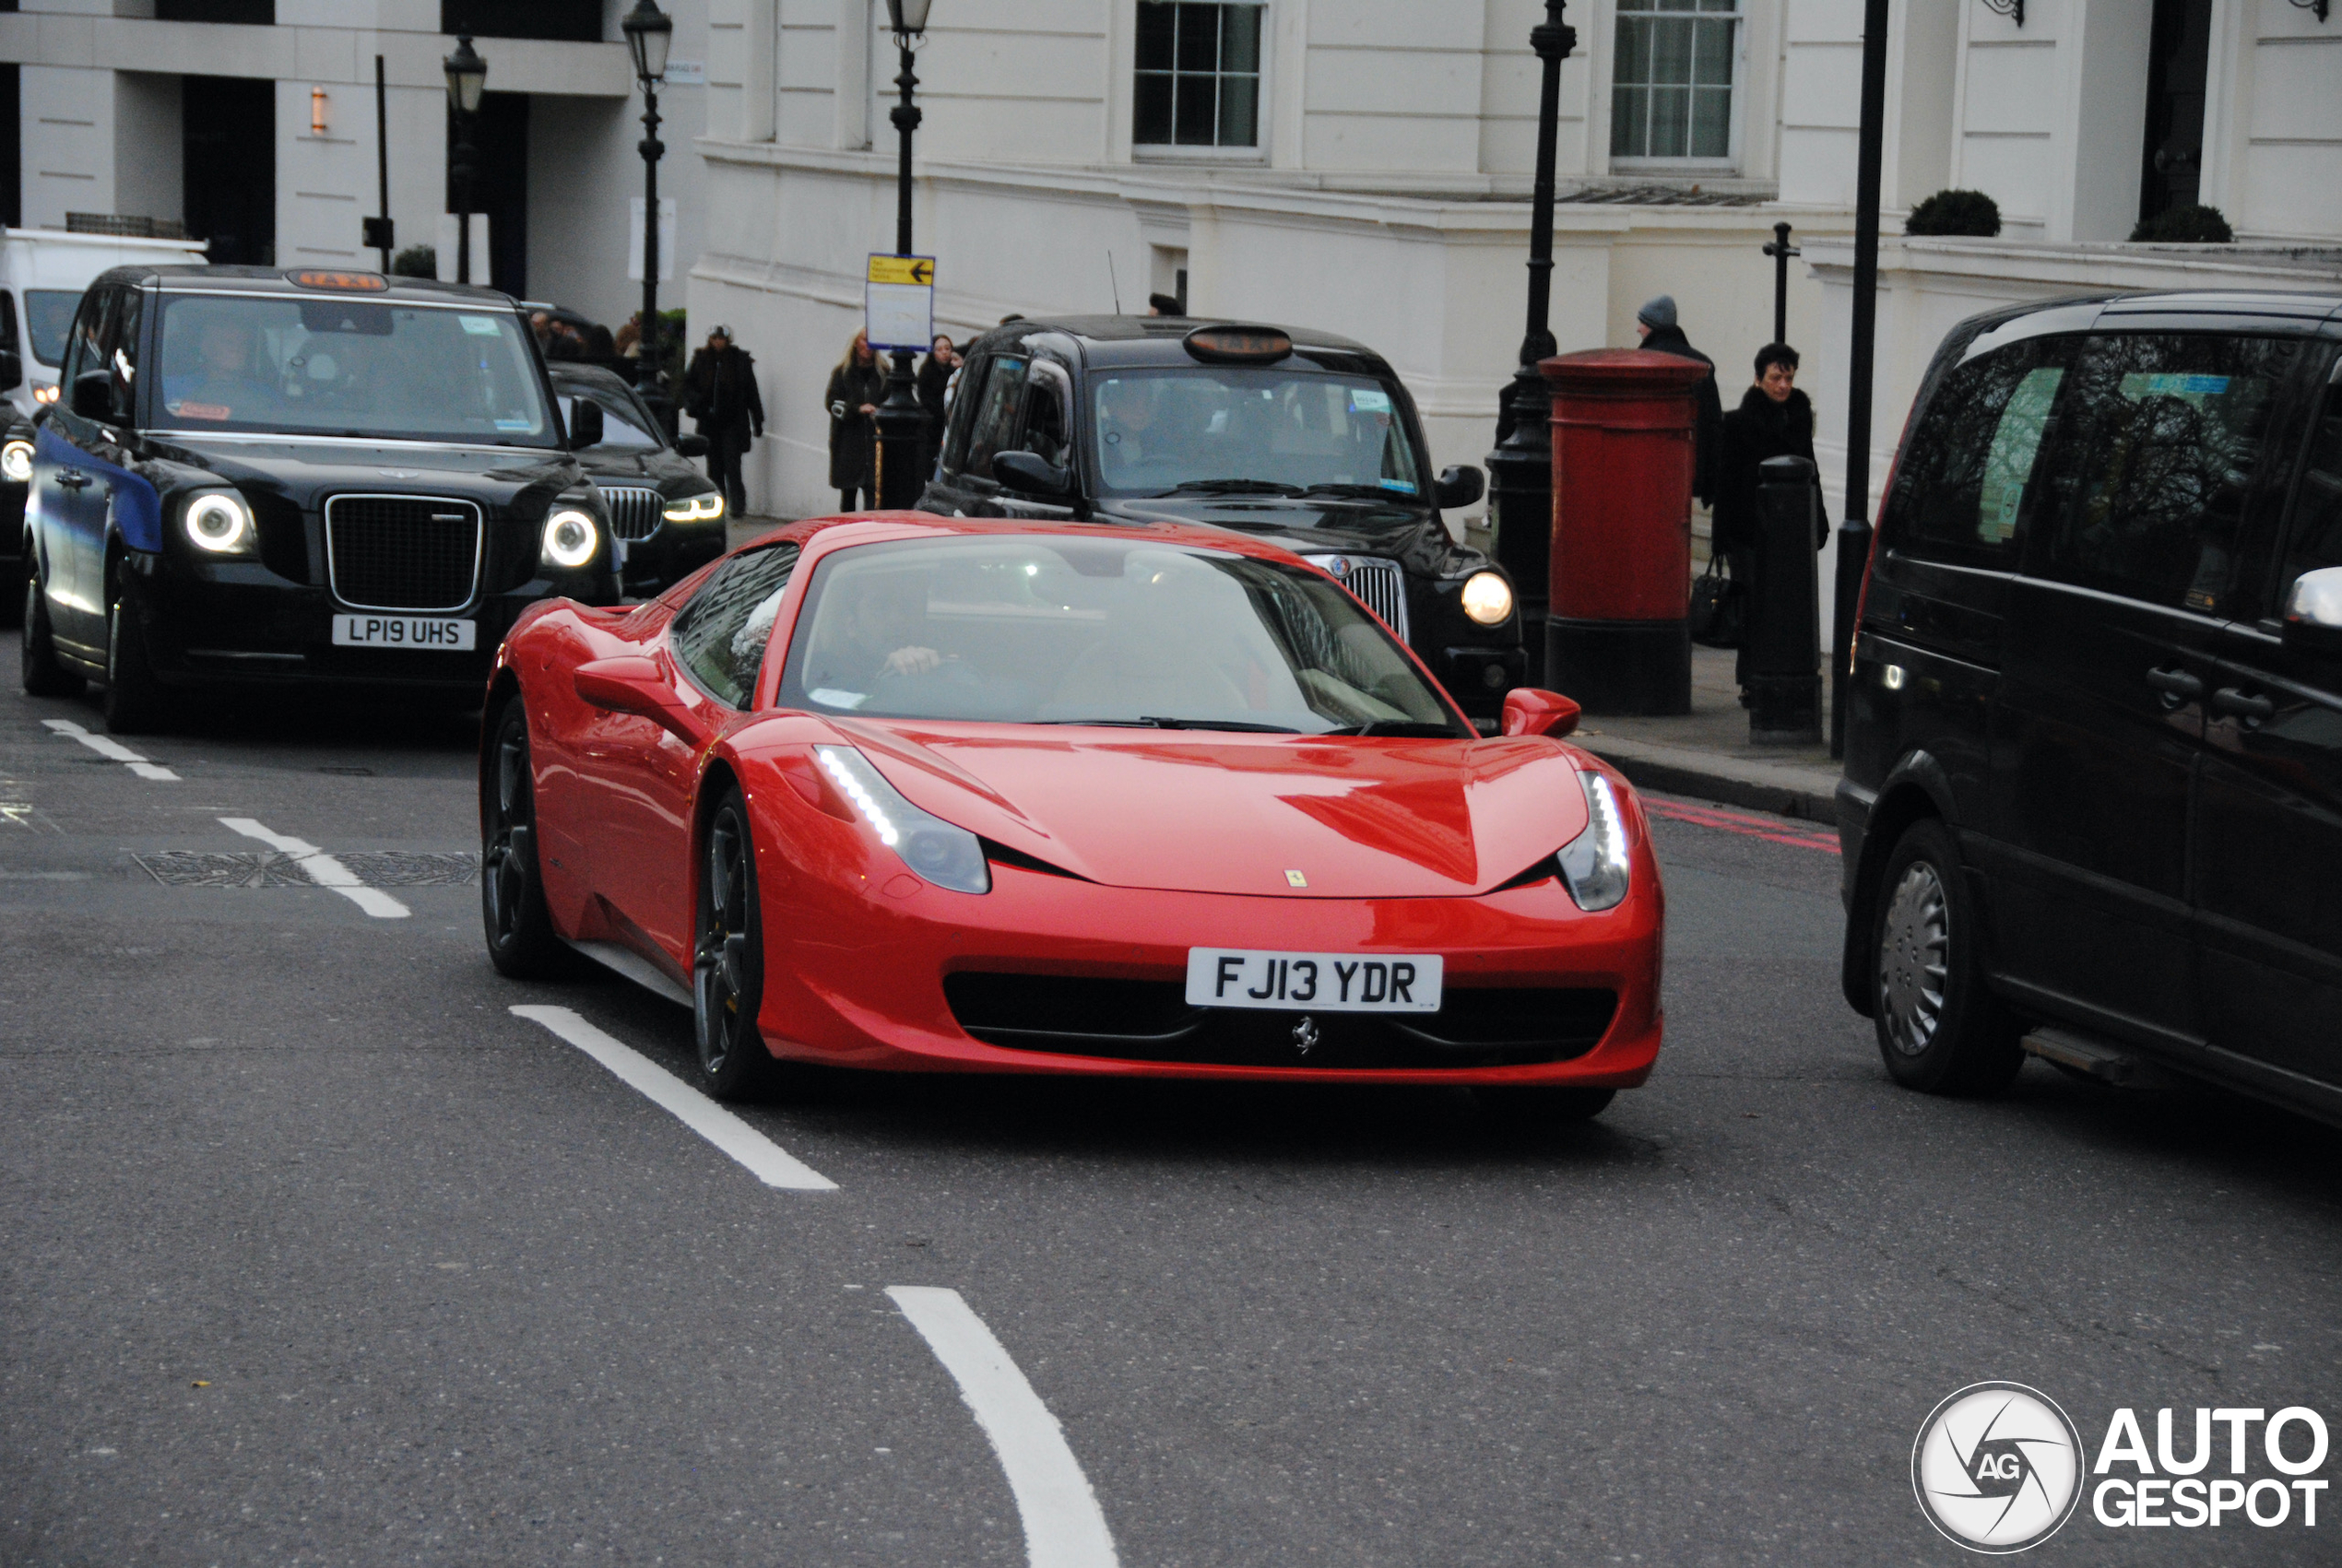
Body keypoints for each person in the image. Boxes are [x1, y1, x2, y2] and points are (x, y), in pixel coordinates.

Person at [1714, 342, 1828, 701]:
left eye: (1789, 378)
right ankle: (1751, 679)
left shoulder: (1799, 418)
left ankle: (1778, 675)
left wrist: (1818, 520)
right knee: (1753, 605)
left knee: (1782, 605)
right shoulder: (1736, 423)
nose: (1783, 386)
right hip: (1746, 529)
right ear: (1758, 378)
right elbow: (1726, 482)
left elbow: (1811, 471)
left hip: (1787, 528)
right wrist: (1722, 537)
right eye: (1776, 377)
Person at [1635, 294, 1724, 509]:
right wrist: (1711, 485)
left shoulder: (1641, 362)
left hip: (1646, 473)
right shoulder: (1703, 364)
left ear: (1652, 325)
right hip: (1691, 472)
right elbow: (1713, 424)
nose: (1638, 328)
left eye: (1642, 322)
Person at [682, 324, 766, 517]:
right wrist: (697, 406)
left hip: (733, 423)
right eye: (715, 338)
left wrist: (758, 420)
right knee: (715, 466)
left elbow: (751, 393)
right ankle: (718, 504)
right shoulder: (701, 360)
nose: (718, 342)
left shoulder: (739, 361)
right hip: (709, 422)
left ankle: (737, 506)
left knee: (732, 465)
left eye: (721, 339)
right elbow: (689, 387)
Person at [823, 330, 885, 511]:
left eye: (872, 341)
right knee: (848, 496)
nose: (869, 345)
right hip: (848, 444)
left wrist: (879, 413)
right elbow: (832, 403)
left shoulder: (883, 374)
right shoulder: (842, 373)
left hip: (875, 445)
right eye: (865, 340)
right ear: (855, 343)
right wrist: (857, 409)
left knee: (873, 496)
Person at [917, 334, 958, 477]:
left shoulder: (954, 373)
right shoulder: (926, 373)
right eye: (939, 349)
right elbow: (926, 400)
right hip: (932, 427)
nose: (944, 352)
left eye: (947, 348)